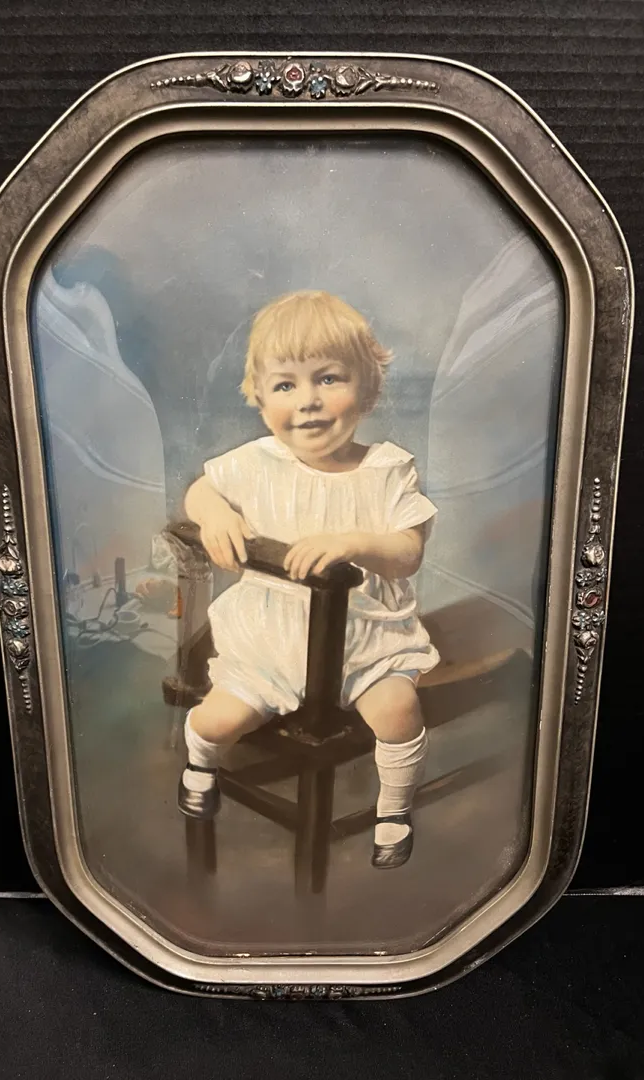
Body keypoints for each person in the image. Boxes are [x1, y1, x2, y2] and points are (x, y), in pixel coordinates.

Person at [178, 290, 439, 869]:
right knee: (218, 720)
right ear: (260, 397)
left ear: (366, 388)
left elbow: (408, 552)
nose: (309, 401)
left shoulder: (387, 469)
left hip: (365, 640)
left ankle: (394, 811)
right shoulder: (256, 463)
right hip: (271, 639)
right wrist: (214, 514)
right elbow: (201, 490)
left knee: (398, 711)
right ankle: (199, 765)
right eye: (285, 385)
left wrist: (354, 542)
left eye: (328, 378)